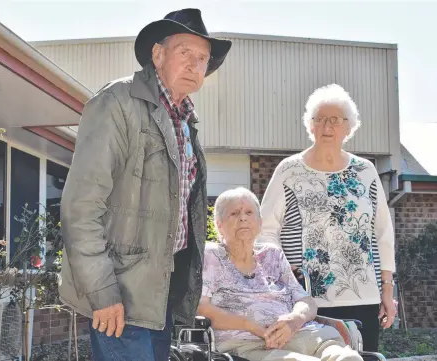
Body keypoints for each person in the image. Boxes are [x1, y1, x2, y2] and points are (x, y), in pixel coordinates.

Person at [58, 8, 231, 361]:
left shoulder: (185, 121)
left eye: (203, 58)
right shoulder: (117, 102)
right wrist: (102, 292)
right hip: (120, 294)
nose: (195, 65)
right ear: (158, 54)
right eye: (185, 53)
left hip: (160, 293)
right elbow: (81, 207)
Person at [259, 84, 396, 352]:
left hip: (364, 295)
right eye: (319, 119)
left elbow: (383, 233)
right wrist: (283, 278)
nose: (326, 127)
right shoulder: (289, 170)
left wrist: (387, 291)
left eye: (335, 120)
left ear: (349, 127)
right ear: (310, 126)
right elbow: (266, 231)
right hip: (307, 300)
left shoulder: (365, 170)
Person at [198, 187, 363, 361]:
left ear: (260, 223)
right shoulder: (212, 255)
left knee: (350, 359)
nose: (243, 217)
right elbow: (202, 308)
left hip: (305, 335)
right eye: (234, 213)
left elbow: (305, 301)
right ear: (219, 224)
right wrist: (250, 325)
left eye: (249, 212)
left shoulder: (272, 254)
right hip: (249, 344)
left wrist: (294, 320)